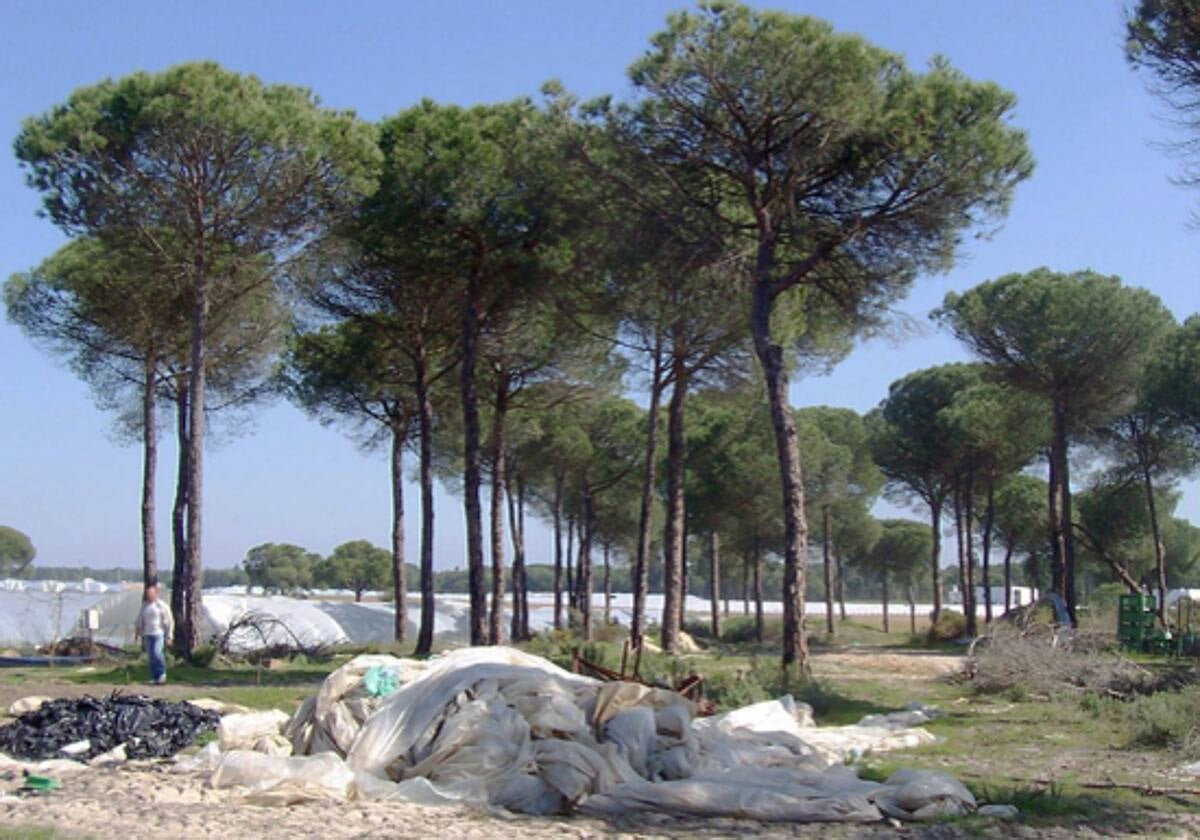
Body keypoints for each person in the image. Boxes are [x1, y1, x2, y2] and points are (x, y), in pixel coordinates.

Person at [135, 583, 174, 684]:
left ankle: (162, 674)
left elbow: (169, 620)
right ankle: (155, 677)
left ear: (156, 594)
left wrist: (169, 635)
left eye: (151, 593)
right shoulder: (145, 606)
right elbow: (140, 619)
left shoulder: (161, 606)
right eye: (148, 593)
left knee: (157, 653)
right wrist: (138, 630)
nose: (149, 595)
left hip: (158, 633)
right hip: (148, 633)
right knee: (151, 656)